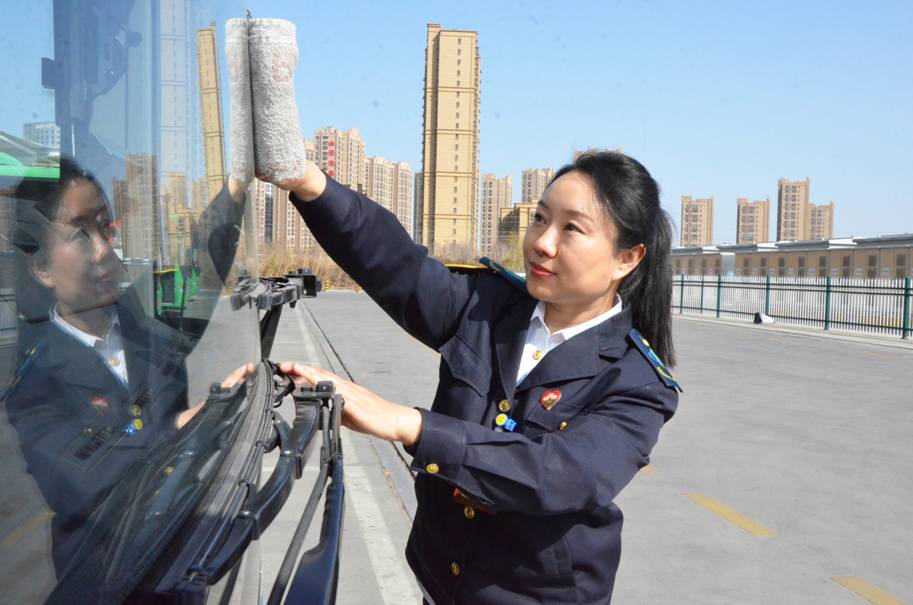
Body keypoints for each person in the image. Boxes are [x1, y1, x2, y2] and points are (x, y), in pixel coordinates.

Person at [269, 150, 680, 603]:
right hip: (439, 580)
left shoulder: (636, 380)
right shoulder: (487, 306)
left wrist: (414, 426)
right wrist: (307, 180)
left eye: (571, 229)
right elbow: (395, 263)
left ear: (627, 258)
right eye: (540, 219)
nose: (542, 243)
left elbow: (564, 473)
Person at [2, 159, 254, 580]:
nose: (104, 250)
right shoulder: (34, 384)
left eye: (105, 227)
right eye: (80, 233)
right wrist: (183, 424)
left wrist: (237, 184)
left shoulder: (147, 323)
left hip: (182, 557)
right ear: (43, 268)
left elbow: (201, 266)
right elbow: (92, 479)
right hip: (109, 581)